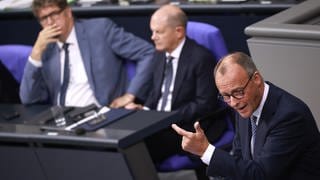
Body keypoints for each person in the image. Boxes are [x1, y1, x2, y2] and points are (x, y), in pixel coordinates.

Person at [172, 52, 320, 179]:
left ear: (256, 79)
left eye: (238, 92)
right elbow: (239, 157)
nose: (233, 103)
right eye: (225, 96)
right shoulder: (244, 104)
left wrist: (206, 151)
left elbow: (261, 175)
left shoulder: (289, 116)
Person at [125, 4, 226, 163]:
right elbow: (156, 93)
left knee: (135, 149)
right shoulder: (159, 54)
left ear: (178, 31)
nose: (153, 37)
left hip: (185, 125)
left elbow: (205, 104)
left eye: (159, 32)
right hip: (158, 122)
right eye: (152, 31)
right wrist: (144, 110)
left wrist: (166, 118)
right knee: (122, 135)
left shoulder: (201, 58)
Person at [20, 0, 154, 108]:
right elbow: (28, 99)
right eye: (44, 18)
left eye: (54, 14)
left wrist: (131, 95)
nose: (50, 23)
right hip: (61, 120)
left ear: (68, 12)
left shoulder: (100, 29)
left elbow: (148, 53)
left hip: (101, 115)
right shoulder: (45, 48)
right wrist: (36, 53)